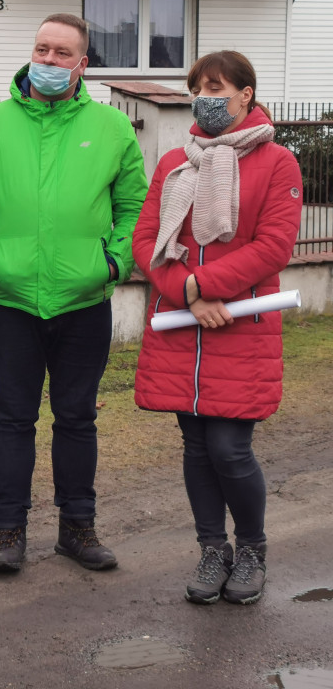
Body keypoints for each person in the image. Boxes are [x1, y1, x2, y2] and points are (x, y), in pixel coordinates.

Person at [0, 14, 147, 575]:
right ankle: (7, 533)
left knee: (77, 418)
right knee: (12, 418)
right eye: (42, 49)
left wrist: (113, 262)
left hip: (84, 301)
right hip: (12, 301)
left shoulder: (112, 128)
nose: (50, 61)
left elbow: (134, 207)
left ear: (82, 64)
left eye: (63, 54)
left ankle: (77, 529)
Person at [132, 51, 302, 606]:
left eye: (217, 87)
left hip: (240, 326)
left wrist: (202, 286)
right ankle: (212, 549)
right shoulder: (175, 163)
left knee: (230, 449)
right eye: (198, 87)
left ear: (246, 95)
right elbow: (146, 240)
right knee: (197, 448)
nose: (206, 96)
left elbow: (273, 246)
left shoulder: (278, 162)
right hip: (183, 325)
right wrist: (184, 291)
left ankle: (251, 549)